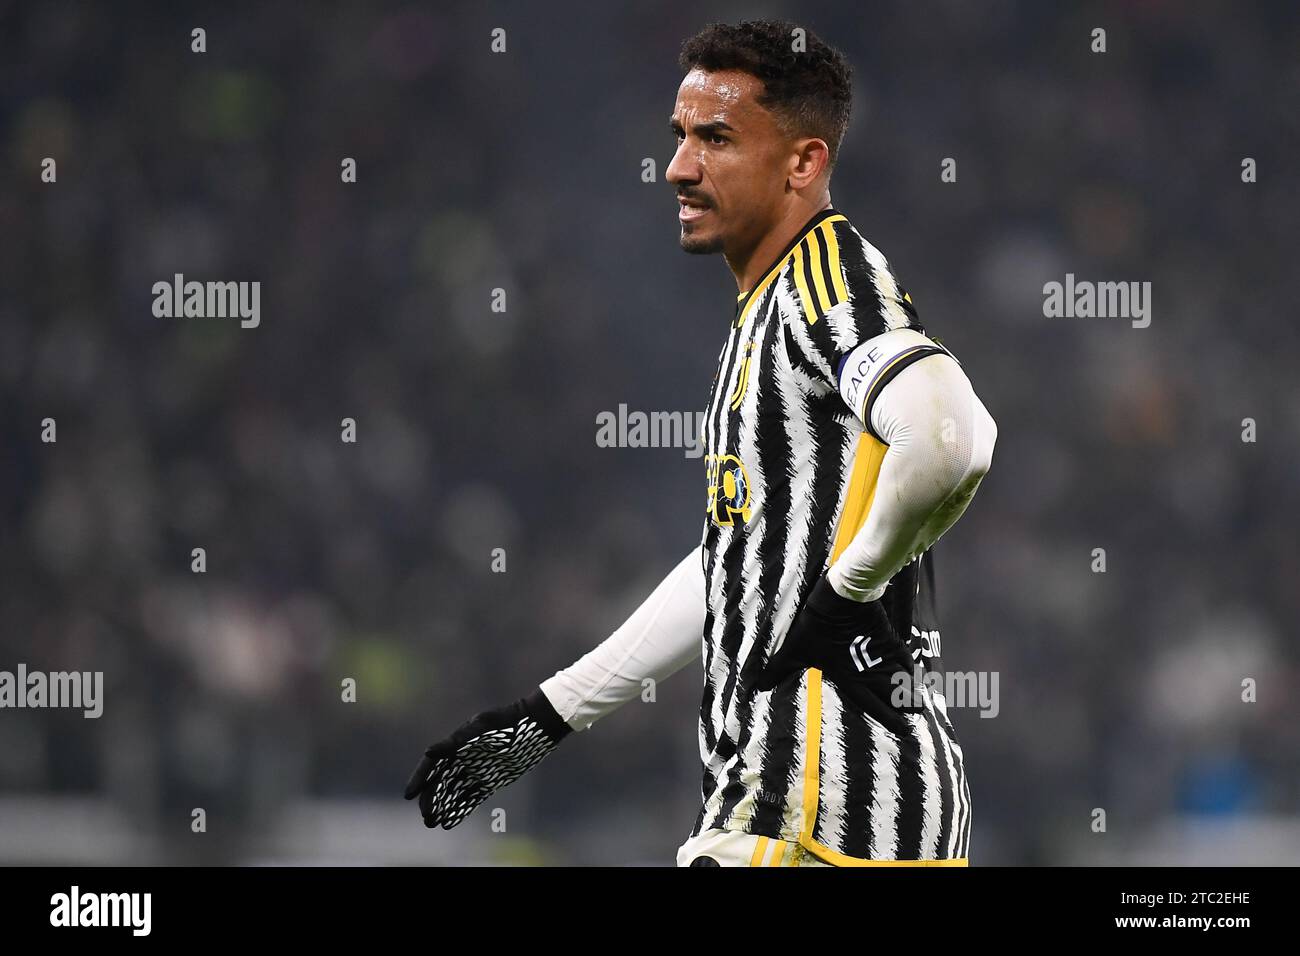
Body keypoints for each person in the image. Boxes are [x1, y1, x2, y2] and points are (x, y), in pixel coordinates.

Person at [405, 19, 997, 867]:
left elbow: (954, 434)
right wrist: (553, 712)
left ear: (804, 162)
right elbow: (738, 561)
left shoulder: (825, 279)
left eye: (716, 139)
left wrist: (844, 596)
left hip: (817, 808)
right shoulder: (766, 310)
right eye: (680, 137)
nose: (680, 166)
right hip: (832, 811)